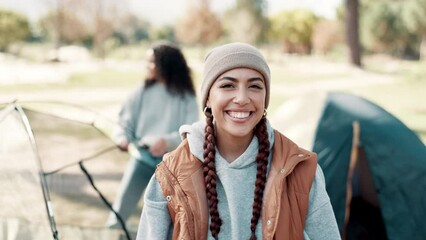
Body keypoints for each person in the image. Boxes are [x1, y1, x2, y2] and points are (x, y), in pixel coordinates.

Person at [135, 42, 341, 239]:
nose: (242, 98)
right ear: (208, 97)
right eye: (228, 85)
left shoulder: (300, 171)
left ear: (265, 97)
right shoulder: (171, 174)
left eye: (254, 86)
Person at [106, 41, 199, 229]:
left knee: (168, 222)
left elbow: (191, 131)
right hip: (141, 161)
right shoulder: (141, 92)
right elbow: (124, 122)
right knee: (118, 216)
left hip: (172, 168)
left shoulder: (186, 96)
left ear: (166, 65)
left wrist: (168, 141)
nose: (147, 66)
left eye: (151, 62)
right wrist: (121, 138)